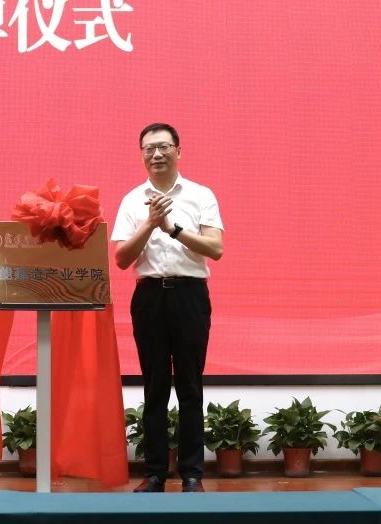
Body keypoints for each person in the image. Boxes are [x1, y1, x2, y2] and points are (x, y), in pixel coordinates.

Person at [111, 122, 224, 493]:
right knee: (154, 387)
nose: (156, 154)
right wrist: (150, 223)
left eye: (163, 147)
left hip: (191, 295)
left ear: (178, 150)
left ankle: (192, 474)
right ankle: (156, 473)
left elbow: (215, 249)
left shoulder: (200, 195)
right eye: (149, 148)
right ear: (142, 155)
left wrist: (172, 228)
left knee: (190, 386)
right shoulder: (132, 200)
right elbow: (122, 259)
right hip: (150, 297)